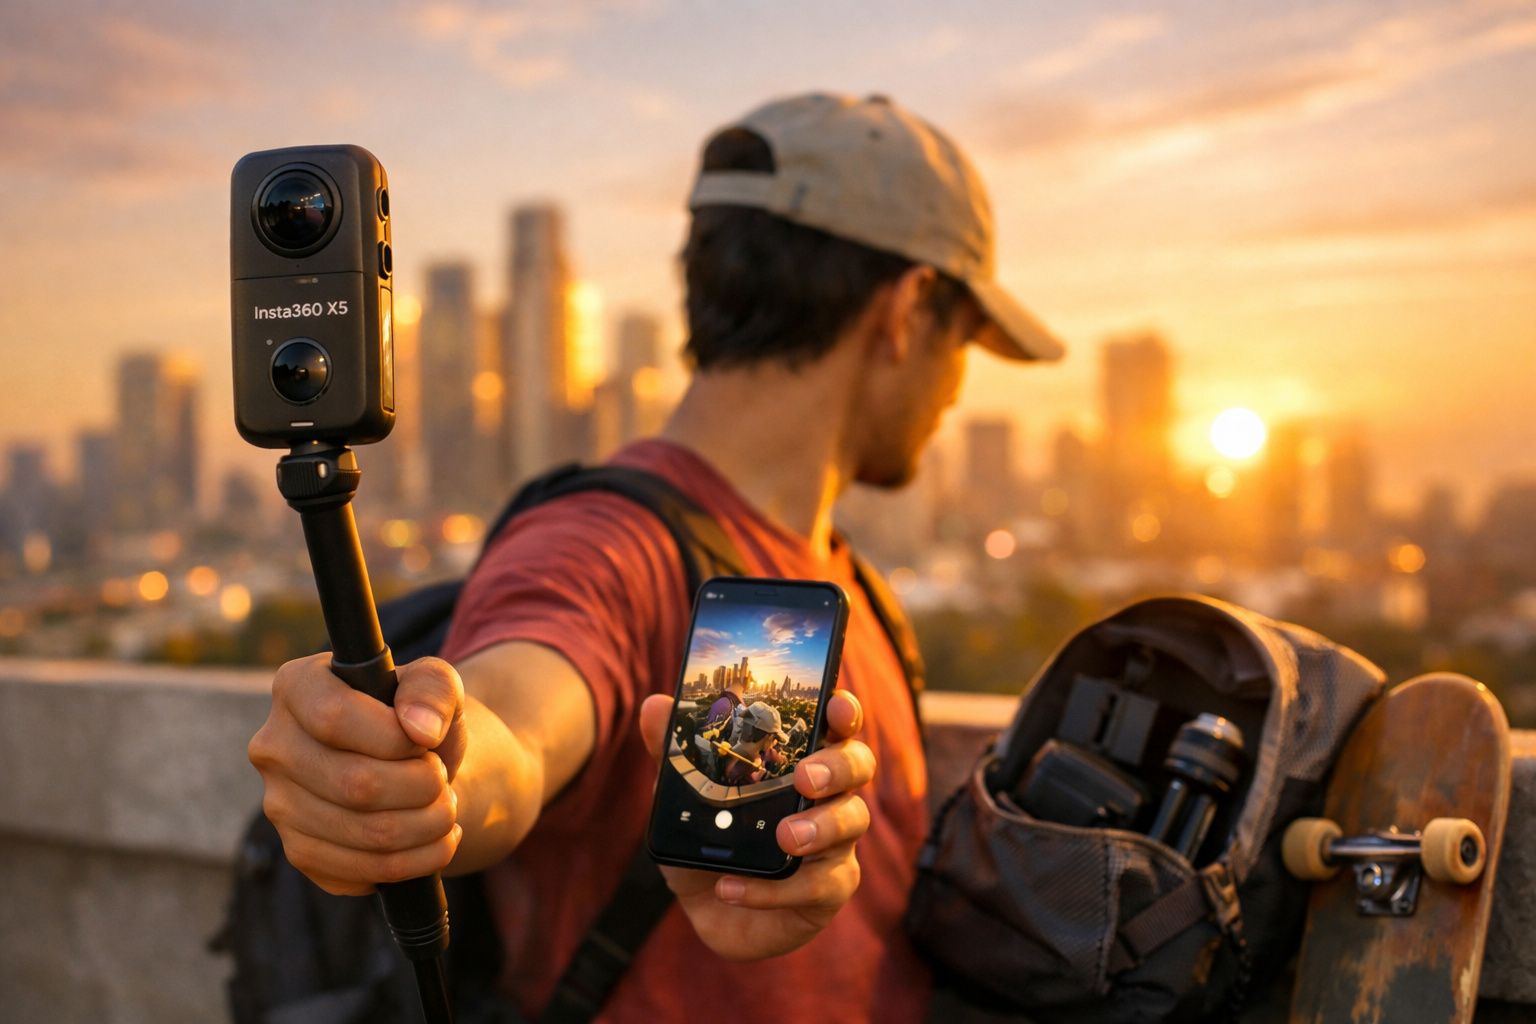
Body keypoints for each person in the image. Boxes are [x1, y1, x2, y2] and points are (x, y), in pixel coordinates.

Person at [246, 91, 1063, 1022]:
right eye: (966, 340)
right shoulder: (604, 543)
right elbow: (514, 727)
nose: (960, 387)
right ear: (910, 311)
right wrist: (423, 778)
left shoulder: (837, 573)